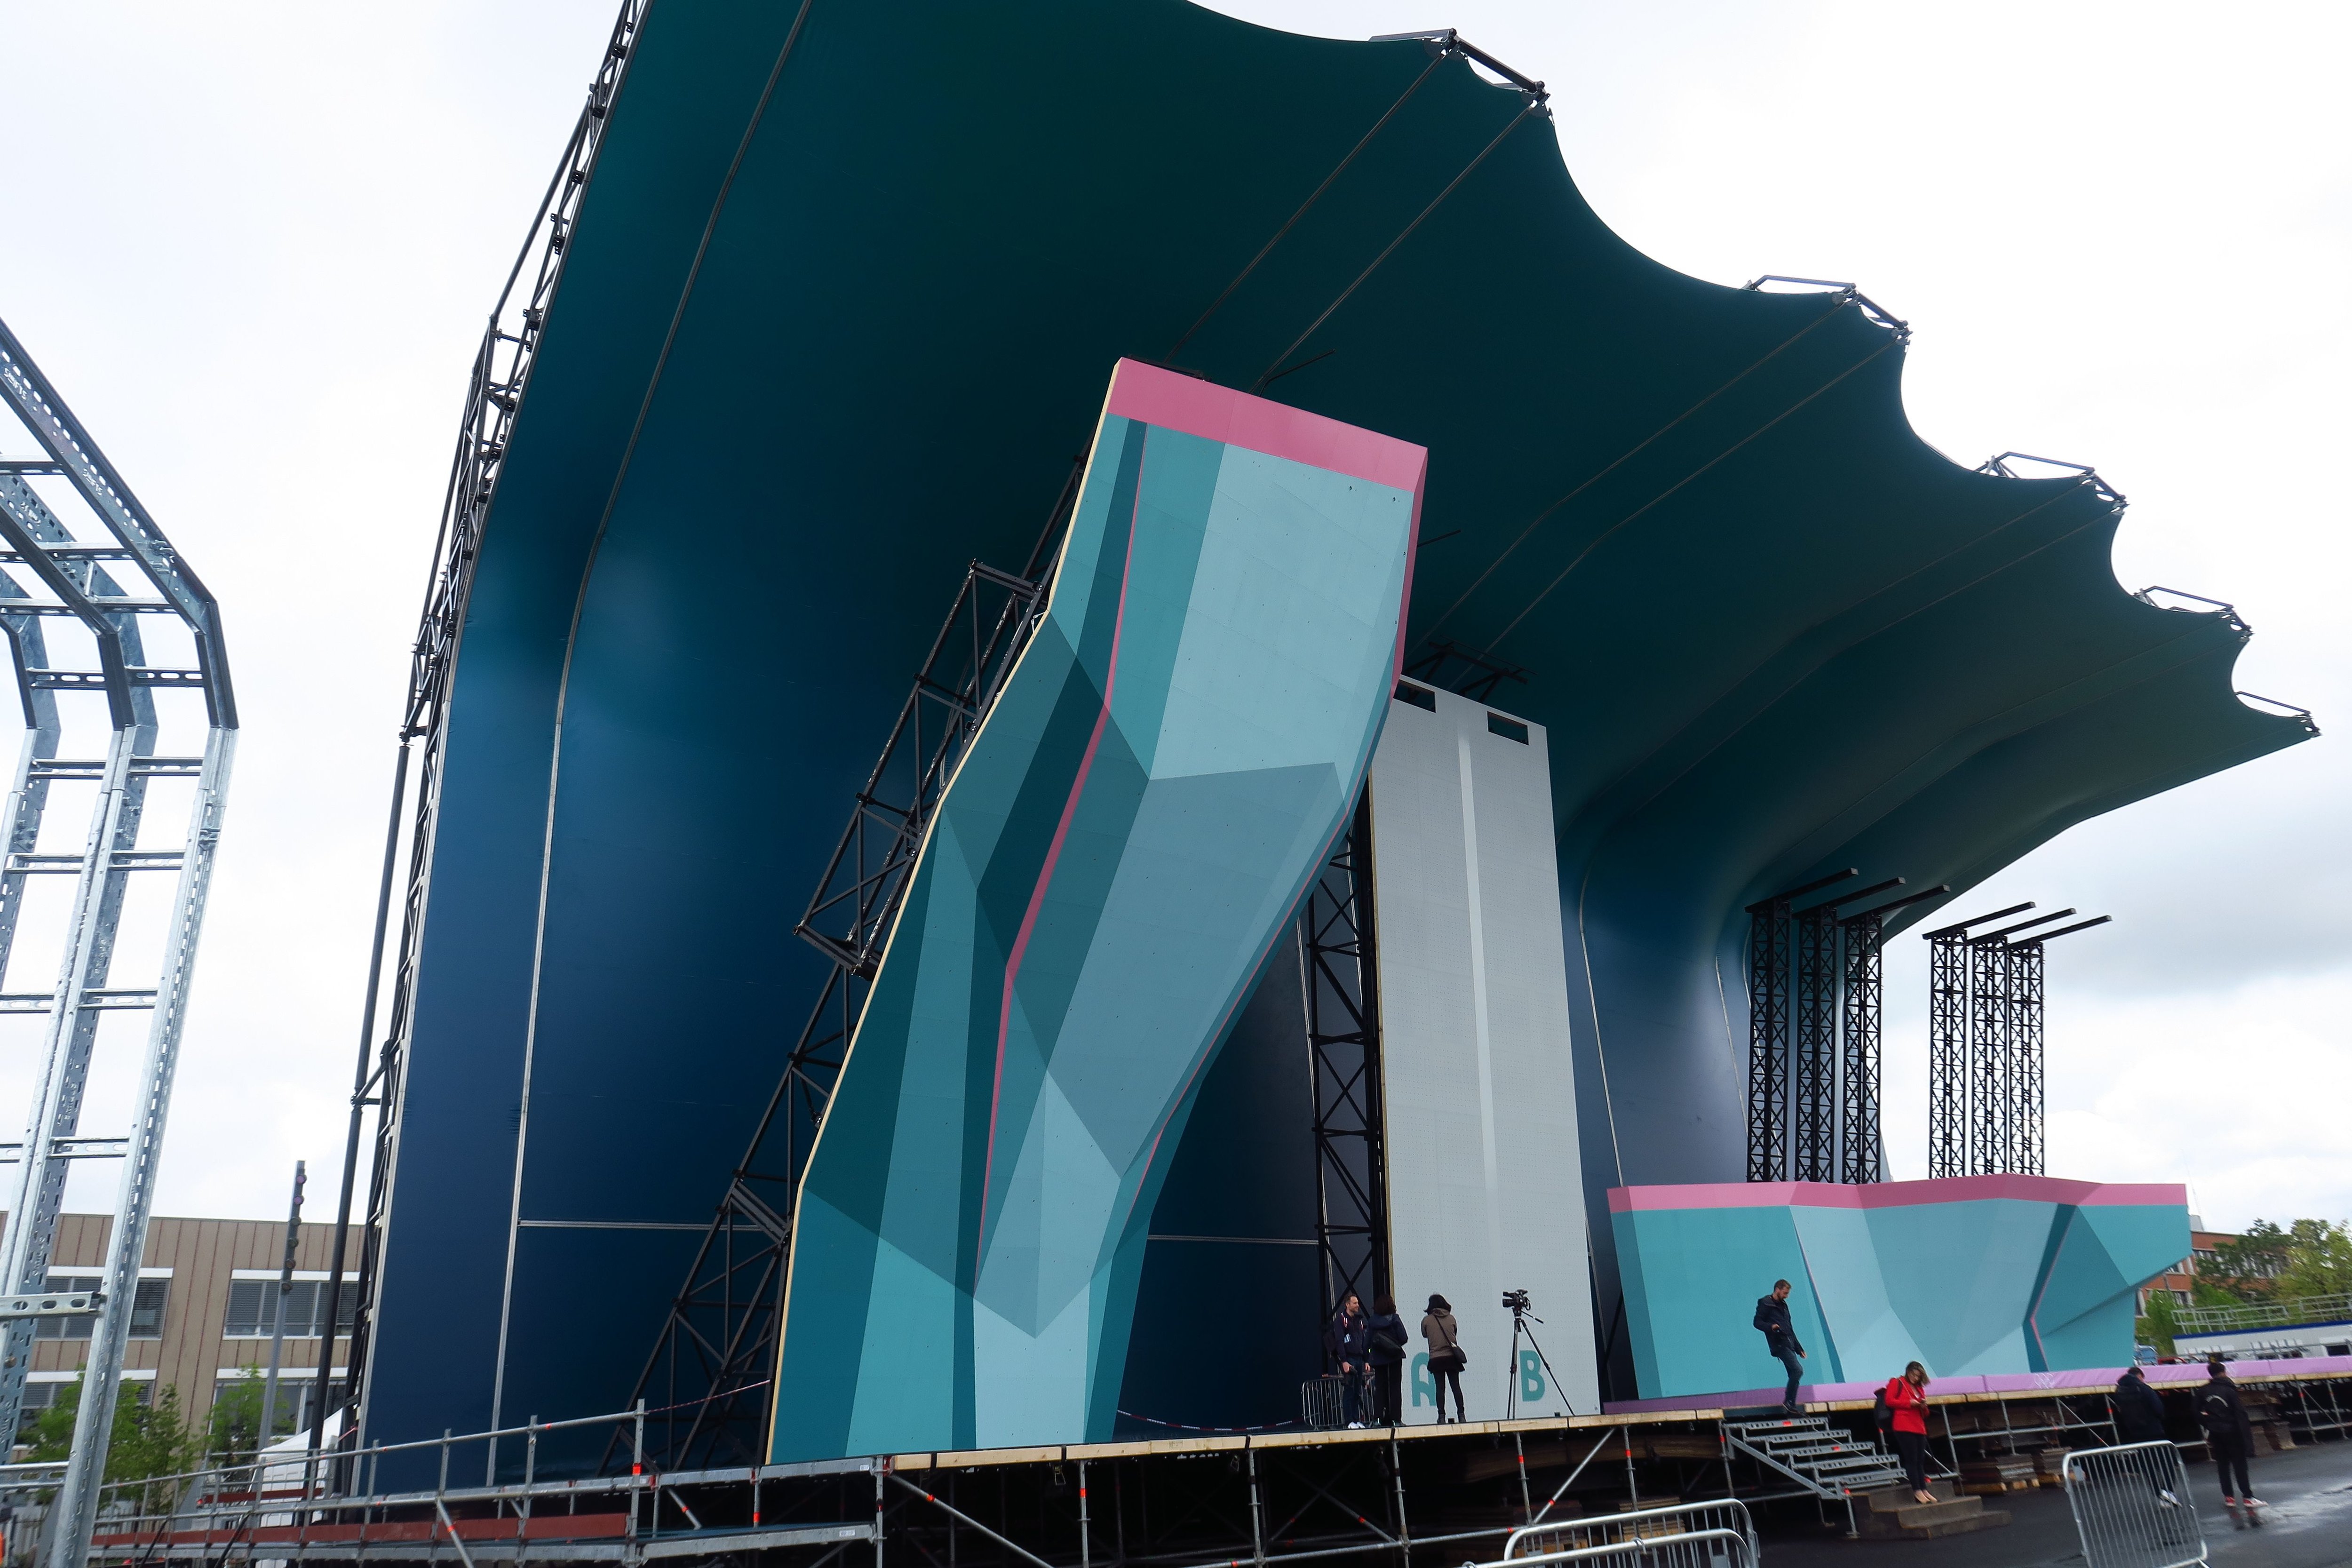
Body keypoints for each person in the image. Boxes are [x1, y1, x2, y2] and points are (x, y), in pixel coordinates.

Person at [2198, 1358, 2264, 1516]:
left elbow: (2195, 1411)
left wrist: (2208, 1423)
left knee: (2223, 1466)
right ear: (2224, 1373)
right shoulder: (2230, 1390)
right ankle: (2248, 1497)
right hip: (2233, 1432)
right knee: (2240, 1465)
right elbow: (2240, 1414)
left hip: (2216, 1432)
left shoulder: (2203, 1391)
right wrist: (2247, 1437)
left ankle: (2229, 1498)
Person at [2112, 1366, 2180, 1507]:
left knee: (2149, 1467)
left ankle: (2159, 1494)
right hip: (2155, 1431)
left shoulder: (2119, 1392)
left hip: (2136, 1434)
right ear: (2140, 1377)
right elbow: (2159, 1409)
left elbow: (2119, 1415)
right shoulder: (2145, 1389)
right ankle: (2169, 1491)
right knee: (2167, 1463)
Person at [1752, 1279, 1806, 1414]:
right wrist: (1771, 1327)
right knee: (1798, 1370)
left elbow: (1789, 1328)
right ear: (1778, 1289)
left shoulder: (1784, 1306)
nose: (1787, 1296)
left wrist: (1799, 1348)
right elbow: (1757, 1322)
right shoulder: (1766, 1303)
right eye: (1785, 1293)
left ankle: (1790, 1404)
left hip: (1789, 1344)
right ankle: (1789, 1401)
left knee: (1794, 1373)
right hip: (1779, 1344)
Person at [1883, 1361, 1934, 1504]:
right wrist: (1909, 1403)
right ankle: (1917, 1491)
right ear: (1908, 1372)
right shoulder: (1897, 1382)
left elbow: (1925, 1413)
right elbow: (1890, 1401)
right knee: (1911, 1459)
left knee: (1920, 1460)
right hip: (1904, 1426)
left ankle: (1924, 1489)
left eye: (1918, 1376)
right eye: (1913, 1375)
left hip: (1919, 1426)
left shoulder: (1920, 1389)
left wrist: (1923, 1406)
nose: (1915, 1378)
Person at [1324, 1292, 1370, 1428]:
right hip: (1349, 1359)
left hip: (1359, 1358)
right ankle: (1349, 1421)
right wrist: (1344, 1361)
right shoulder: (1341, 1321)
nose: (1358, 1305)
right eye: (1355, 1303)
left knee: (1357, 1391)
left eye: (1357, 1303)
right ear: (1347, 1305)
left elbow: (1364, 1341)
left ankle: (1356, 1420)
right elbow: (1339, 1341)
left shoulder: (1359, 1321)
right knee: (1349, 1391)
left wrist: (1366, 1360)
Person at [1422, 1293, 1466, 1423]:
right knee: (1456, 1387)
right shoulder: (1452, 1319)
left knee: (1440, 1389)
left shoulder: (1427, 1321)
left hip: (1436, 1359)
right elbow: (1455, 1333)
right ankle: (1462, 1415)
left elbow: (1425, 1335)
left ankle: (1441, 1416)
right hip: (1452, 1358)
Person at [1367, 1294, 1408, 1425]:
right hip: (1395, 1358)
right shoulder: (1395, 1319)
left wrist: (1368, 1357)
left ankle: (1378, 1419)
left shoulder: (1372, 1322)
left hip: (1379, 1360)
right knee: (1395, 1389)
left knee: (1380, 1389)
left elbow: (1366, 1343)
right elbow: (1404, 1338)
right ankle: (1396, 1419)